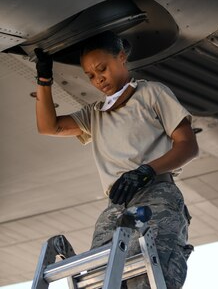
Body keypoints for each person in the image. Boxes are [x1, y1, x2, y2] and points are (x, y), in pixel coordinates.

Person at [35, 31, 198, 289]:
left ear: (121, 57)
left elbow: (188, 146)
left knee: (147, 278)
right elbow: (49, 126)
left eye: (102, 69)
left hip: (155, 194)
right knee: (99, 280)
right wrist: (44, 80)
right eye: (90, 75)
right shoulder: (95, 114)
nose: (98, 79)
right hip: (115, 206)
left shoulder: (151, 93)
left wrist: (146, 171)